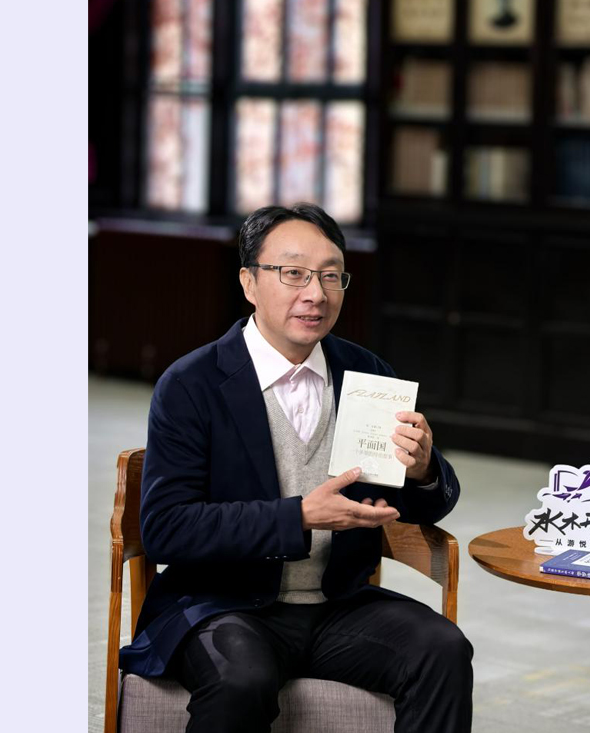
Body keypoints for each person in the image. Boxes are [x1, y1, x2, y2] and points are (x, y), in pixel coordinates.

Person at [118, 203, 473, 733]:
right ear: (249, 282)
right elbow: (167, 529)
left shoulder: (366, 372)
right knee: (242, 678)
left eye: (331, 276)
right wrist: (299, 516)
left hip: (337, 604)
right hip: (220, 605)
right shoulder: (191, 384)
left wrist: (422, 470)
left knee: (443, 649)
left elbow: (417, 504)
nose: (316, 293)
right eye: (294, 273)